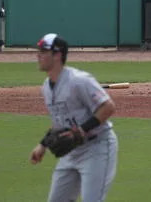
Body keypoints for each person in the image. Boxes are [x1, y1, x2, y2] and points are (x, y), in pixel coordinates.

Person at [29, 33, 118, 201]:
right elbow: (59, 123)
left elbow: (108, 107)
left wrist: (81, 130)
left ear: (58, 54)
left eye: (43, 51)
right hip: (71, 152)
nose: (38, 55)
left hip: (97, 147)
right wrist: (42, 145)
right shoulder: (46, 88)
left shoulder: (79, 81)